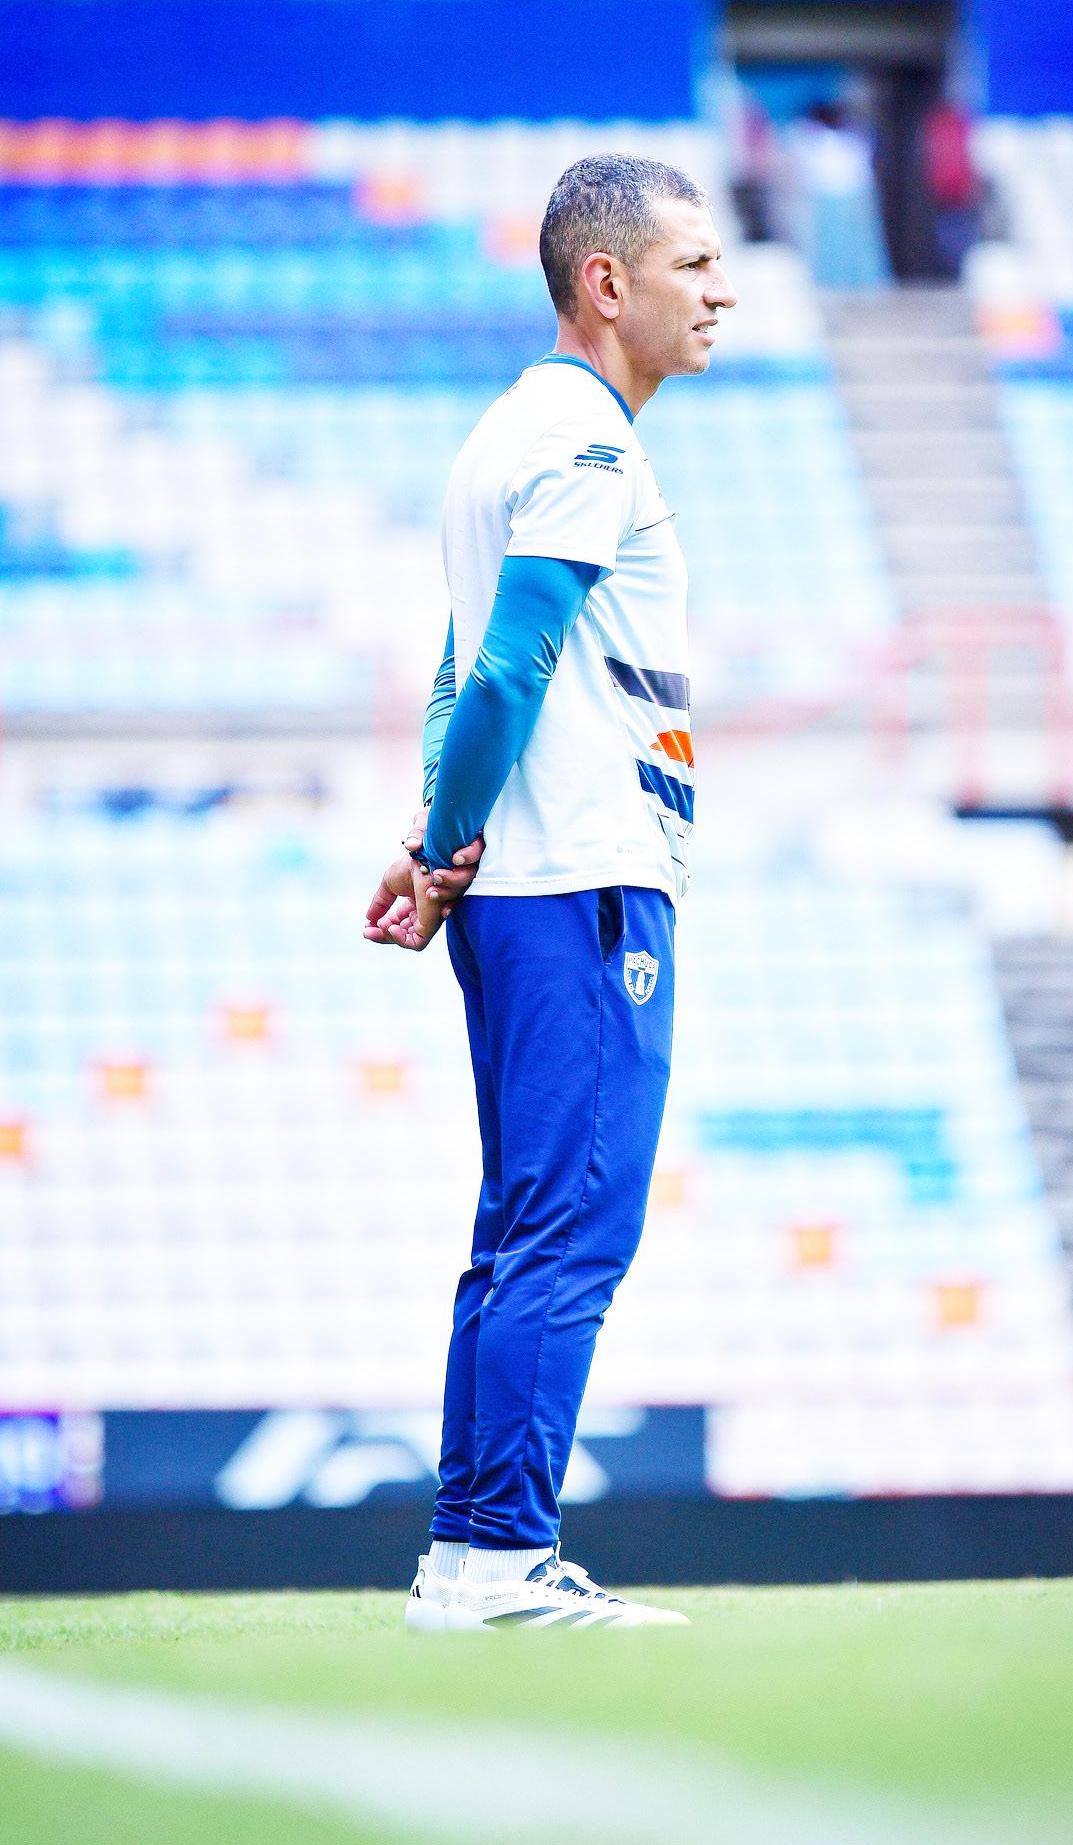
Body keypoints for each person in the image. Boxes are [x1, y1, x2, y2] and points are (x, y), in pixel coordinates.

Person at [363, 153, 735, 1630]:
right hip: (583, 878)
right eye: (695, 263)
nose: (721, 291)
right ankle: (507, 1560)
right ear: (606, 280)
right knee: (574, 1227)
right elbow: (510, 665)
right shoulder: (587, 445)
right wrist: (444, 840)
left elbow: (460, 664)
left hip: (529, 883)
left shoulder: (504, 433)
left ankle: (467, 1557)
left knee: (521, 1228)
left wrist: (435, 835)